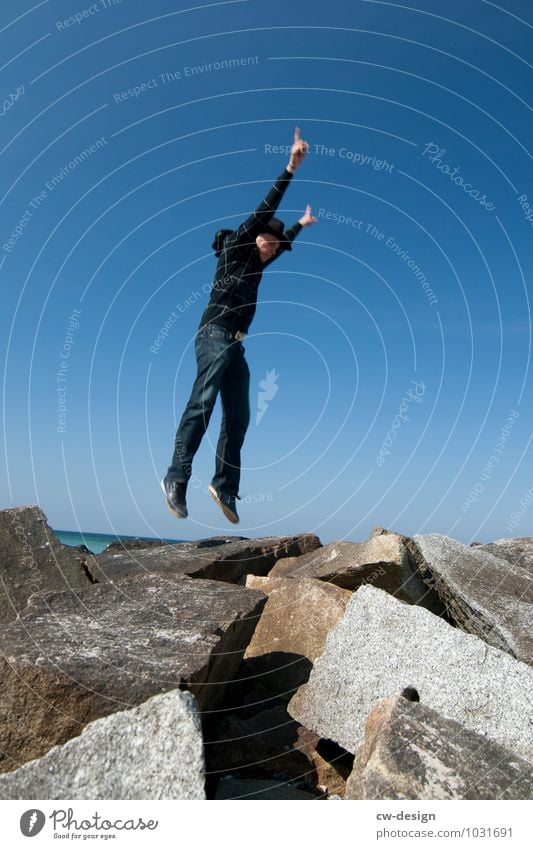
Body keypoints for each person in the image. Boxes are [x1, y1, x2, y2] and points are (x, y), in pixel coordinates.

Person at [161, 127, 317, 524]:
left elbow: (279, 243)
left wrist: (299, 225)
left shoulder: (261, 263)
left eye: (280, 248)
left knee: (240, 416)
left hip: (237, 345)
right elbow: (263, 211)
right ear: (259, 237)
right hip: (213, 335)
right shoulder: (236, 250)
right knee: (204, 400)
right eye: (274, 243)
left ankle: (224, 487)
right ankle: (176, 478)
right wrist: (289, 170)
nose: (276, 250)